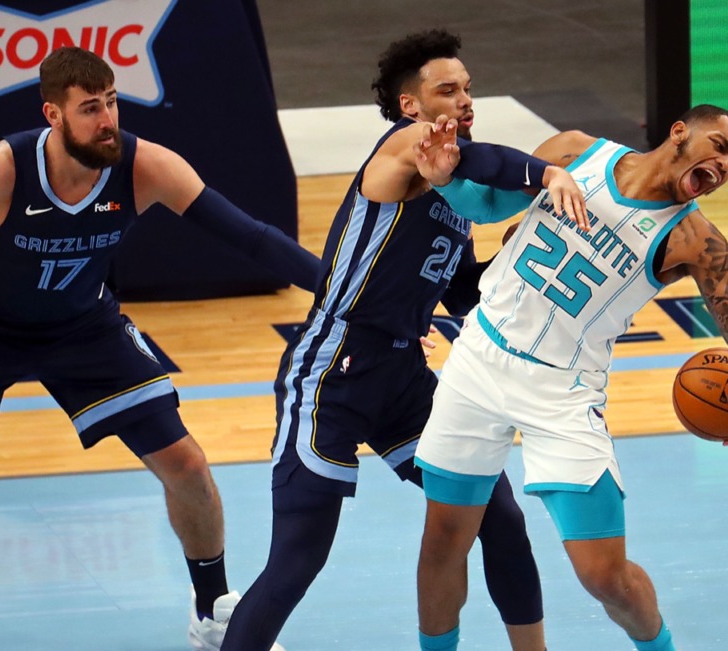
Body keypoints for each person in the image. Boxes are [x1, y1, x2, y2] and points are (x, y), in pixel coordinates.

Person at [0, 46, 318, 651]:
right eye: (90, 108)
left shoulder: (145, 166)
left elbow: (253, 239)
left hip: (81, 327)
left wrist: (348, 292)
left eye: (113, 103)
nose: (108, 120)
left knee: (188, 464)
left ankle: (212, 614)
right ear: (54, 114)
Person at [220, 30, 588, 651]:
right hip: (332, 371)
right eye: (447, 90)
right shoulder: (403, 147)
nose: (465, 100)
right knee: (298, 560)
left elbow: (461, 289)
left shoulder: (453, 191)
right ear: (411, 106)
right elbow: (489, 161)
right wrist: (547, 171)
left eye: (468, 88)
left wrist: (524, 268)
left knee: (500, 519)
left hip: (404, 381)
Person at [412, 104, 728, 651]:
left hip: (563, 392)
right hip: (480, 359)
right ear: (679, 133)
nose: (724, 164)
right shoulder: (575, 152)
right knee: (443, 541)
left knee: (604, 576)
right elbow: (487, 206)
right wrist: (444, 181)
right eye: (718, 146)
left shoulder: (697, 242)